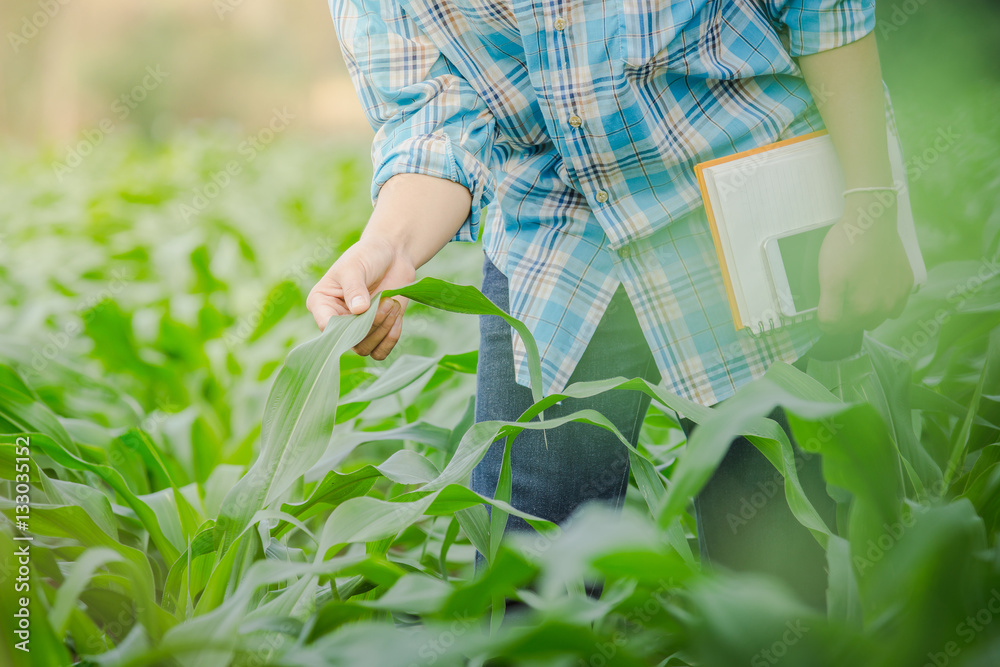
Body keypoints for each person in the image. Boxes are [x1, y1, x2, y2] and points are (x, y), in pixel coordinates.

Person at [307, 0, 915, 611]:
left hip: (742, 207)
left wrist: (869, 197)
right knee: (529, 581)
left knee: (779, 566)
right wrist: (387, 244)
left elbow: (821, 10)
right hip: (557, 230)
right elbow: (433, 121)